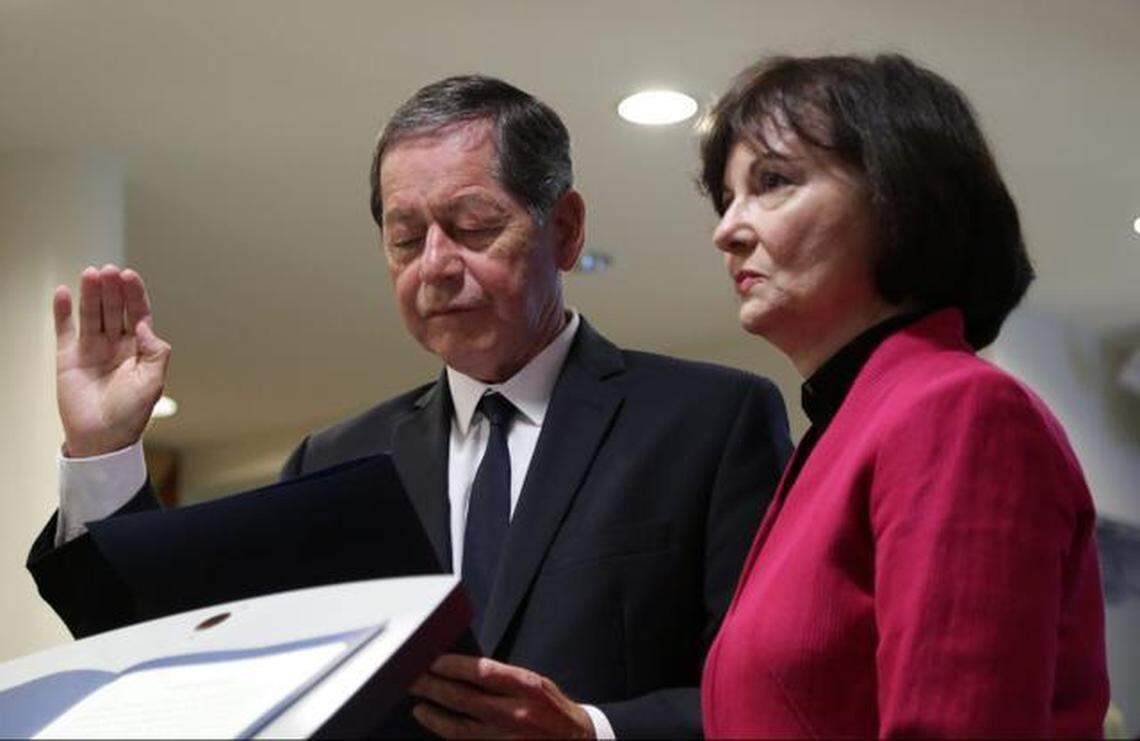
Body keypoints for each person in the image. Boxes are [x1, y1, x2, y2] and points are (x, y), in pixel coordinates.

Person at [27, 75, 793, 738]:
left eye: (472, 227)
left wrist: (591, 729)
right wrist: (102, 450)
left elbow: (782, 699)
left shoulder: (711, 422)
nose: (435, 267)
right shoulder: (336, 460)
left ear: (564, 229)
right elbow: (167, 661)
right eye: (405, 238)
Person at [696, 53, 1110, 737]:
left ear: (901, 196)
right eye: (727, 197)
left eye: (773, 182)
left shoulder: (958, 409)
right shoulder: (847, 430)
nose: (727, 230)